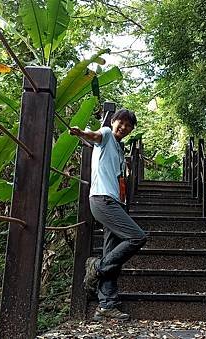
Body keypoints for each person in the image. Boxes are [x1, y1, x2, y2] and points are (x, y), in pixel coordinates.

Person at [70, 109, 147, 322]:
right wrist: (81, 133)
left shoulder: (120, 148)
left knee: (112, 251)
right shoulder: (106, 134)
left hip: (115, 202)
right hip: (102, 200)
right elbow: (95, 135)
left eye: (128, 126)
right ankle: (97, 267)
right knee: (137, 237)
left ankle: (106, 304)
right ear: (113, 122)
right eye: (120, 123)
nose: (123, 127)